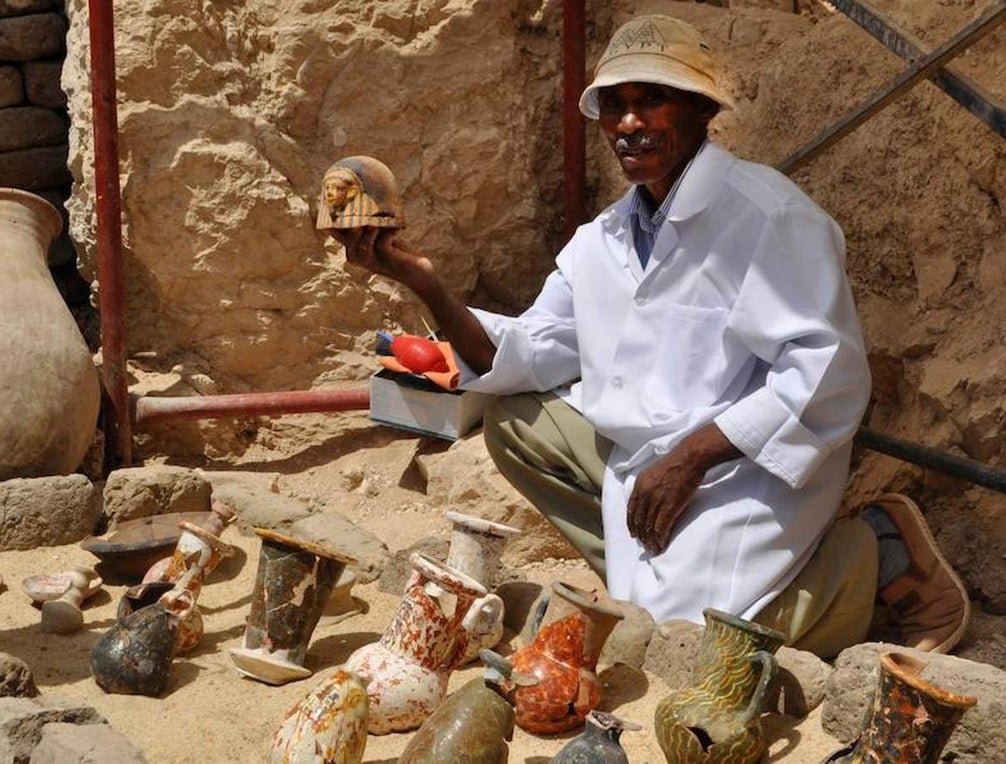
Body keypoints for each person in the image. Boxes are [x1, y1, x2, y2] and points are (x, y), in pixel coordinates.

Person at [330, 14, 969, 658]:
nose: (629, 124)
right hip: (644, 465)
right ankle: (651, 578)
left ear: (700, 111)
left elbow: (826, 372)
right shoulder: (600, 241)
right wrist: (423, 281)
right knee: (516, 420)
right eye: (615, 105)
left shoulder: (769, 216)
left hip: (741, 468)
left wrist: (691, 457)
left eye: (651, 100)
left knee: (697, 654)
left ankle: (873, 554)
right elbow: (523, 354)